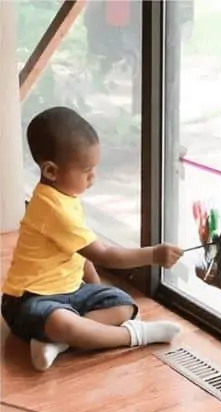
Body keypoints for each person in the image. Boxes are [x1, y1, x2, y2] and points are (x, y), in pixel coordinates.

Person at [1, 107, 184, 372]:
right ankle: (136, 335)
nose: (93, 178)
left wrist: (95, 292)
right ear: (51, 171)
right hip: (28, 300)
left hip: (70, 292)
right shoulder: (51, 208)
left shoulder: (64, 197)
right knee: (62, 323)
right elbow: (104, 254)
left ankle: (56, 343)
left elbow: (79, 253)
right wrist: (154, 255)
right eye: (87, 171)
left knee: (123, 305)